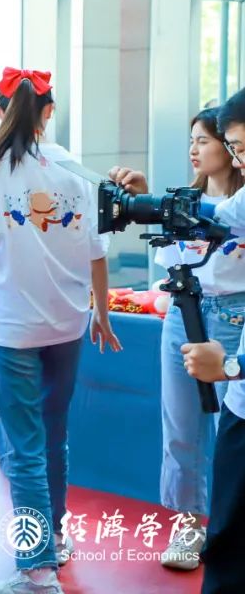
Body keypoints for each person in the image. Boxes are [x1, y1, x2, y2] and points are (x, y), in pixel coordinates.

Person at [0, 68, 120, 594]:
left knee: (23, 446)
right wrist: (100, 311)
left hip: (13, 327)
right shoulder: (74, 168)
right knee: (53, 435)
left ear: (0, 110)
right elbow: (97, 250)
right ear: (49, 111)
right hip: (67, 322)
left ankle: (37, 567)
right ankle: (54, 537)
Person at [159, 87, 245, 594]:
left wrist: (232, 366)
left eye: (208, 140)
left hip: (233, 317)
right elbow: (174, 253)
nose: (196, 149)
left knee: (228, 434)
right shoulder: (192, 202)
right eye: (192, 140)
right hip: (184, 312)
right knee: (181, 426)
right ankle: (189, 525)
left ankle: (221, 528)